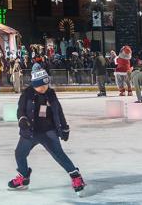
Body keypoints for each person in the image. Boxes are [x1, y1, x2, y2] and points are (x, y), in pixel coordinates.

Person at [8, 64, 85, 195]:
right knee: (19, 154)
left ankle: (76, 177)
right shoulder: (26, 93)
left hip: (48, 132)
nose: (43, 88)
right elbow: (20, 110)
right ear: (34, 84)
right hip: (30, 131)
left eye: (46, 85)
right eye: (40, 86)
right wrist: (22, 120)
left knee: (59, 155)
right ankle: (24, 176)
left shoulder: (51, 94)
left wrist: (64, 128)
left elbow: (58, 111)